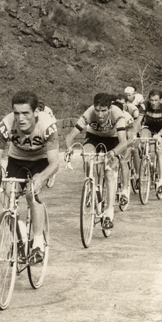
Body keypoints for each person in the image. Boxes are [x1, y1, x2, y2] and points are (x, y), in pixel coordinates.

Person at [0, 91, 59, 264]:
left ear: (36, 113)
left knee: (33, 194)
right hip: (17, 160)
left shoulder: (48, 125)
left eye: (25, 113)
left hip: (41, 160)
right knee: (8, 197)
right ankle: (21, 234)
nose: (20, 118)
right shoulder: (6, 124)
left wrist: (41, 177)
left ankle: (38, 243)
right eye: (17, 113)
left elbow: (55, 163)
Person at [65, 93, 128, 230]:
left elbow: (124, 142)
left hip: (113, 139)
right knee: (87, 156)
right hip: (93, 137)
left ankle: (109, 213)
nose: (100, 114)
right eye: (97, 110)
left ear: (109, 109)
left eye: (103, 110)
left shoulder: (118, 114)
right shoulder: (89, 113)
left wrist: (114, 152)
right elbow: (70, 136)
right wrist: (69, 148)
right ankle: (91, 185)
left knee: (109, 172)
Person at [138, 89, 162, 194]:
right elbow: (138, 122)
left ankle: (161, 181)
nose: (153, 103)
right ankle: (146, 162)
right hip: (149, 128)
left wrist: (159, 135)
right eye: (151, 100)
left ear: (161, 100)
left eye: (156, 100)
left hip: (161, 130)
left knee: (159, 151)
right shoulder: (144, 105)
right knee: (143, 139)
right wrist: (134, 133)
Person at [113, 93, 141, 206]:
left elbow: (130, 138)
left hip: (127, 140)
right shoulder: (109, 115)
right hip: (114, 140)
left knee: (124, 160)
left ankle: (125, 190)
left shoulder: (127, 116)